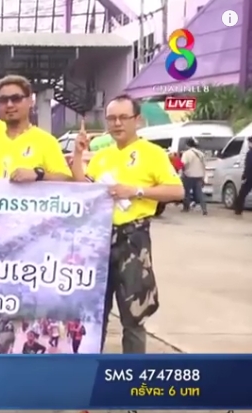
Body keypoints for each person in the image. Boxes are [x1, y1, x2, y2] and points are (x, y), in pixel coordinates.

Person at [71, 94, 184, 354]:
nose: (117, 123)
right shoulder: (102, 156)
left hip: (133, 239)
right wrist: (78, 154)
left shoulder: (153, 153)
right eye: (111, 118)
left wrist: (136, 191)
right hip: (99, 239)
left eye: (123, 117)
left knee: (133, 315)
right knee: (95, 313)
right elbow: (83, 186)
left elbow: (176, 190)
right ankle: (92, 368)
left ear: (138, 120)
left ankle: (131, 372)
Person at [0, 75, 71, 182]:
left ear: (30, 101)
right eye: (3, 100)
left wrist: (38, 174)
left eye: (16, 99)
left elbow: (67, 179)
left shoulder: (46, 141)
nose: (9, 104)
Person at [180, 138, 208, 215]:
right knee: (200, 193)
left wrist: (180, 168)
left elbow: (183, 164)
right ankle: (204, 209)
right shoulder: (201, 153)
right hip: (199, 176)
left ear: (187, 145)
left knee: (187, 192)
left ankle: (186, 208)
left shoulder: (186, 154)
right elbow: (204, 165)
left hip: (189, 175)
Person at [233, 136, 252, 216]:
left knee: (242, 193)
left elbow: (249, 166)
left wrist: (245, 175)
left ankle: (238, 209)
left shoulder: (250, 153)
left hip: (250, 177)